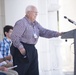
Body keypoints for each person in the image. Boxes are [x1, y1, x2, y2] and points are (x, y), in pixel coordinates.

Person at [11, 5, 63, 75]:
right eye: (35, 12)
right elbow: (14, 37)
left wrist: (57, 34)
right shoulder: (21, 23)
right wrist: (21, 48)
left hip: (32, 49)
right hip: (22, 48)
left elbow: (44, 32)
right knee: (22, 71)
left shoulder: (35, 24)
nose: (36, 14)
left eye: (37, 13)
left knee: (33, 71)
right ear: (28, 13)